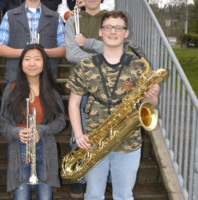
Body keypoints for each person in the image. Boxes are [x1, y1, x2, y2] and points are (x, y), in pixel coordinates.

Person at [66, 10, 160, 199]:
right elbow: (74, 102)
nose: (113, 31)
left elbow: (151, 105)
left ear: (126, 33)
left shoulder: (139, 66)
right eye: (108, 27)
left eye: (118, 27)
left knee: (124, 196)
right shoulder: (85, 65)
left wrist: (151, 96)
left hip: (129, 143)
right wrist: (78, 135)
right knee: (93, 195)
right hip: (94, 142)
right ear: (100, 32)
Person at [0, 44, 66, 200]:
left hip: (45, 146)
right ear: (21, 64)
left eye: (37, 59)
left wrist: (41, 130)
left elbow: (61, 122)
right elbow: (3, 124)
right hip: (19, 148)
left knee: (45, 196)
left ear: (44, 63)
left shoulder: (51, 90)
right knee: (21, 196)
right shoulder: (12, 89)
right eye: (27, 59)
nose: (32, 64)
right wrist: (17, 132)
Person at [65, 0, 107, 197]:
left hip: (107, 85)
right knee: (79, 134)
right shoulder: (73, 21)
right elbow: (72, 54)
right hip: (81, 83)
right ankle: (80, 177)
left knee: (106, 132)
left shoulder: (109, 19)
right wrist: (103, 55)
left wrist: (89, 44)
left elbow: (119, 48)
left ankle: (103, 176)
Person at [0, 0, 66, 83]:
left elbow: (65, 49)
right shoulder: (9, 16)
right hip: (16, 79)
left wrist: (43, 53)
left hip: (47, 81)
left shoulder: (55, 17)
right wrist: (25, 53)